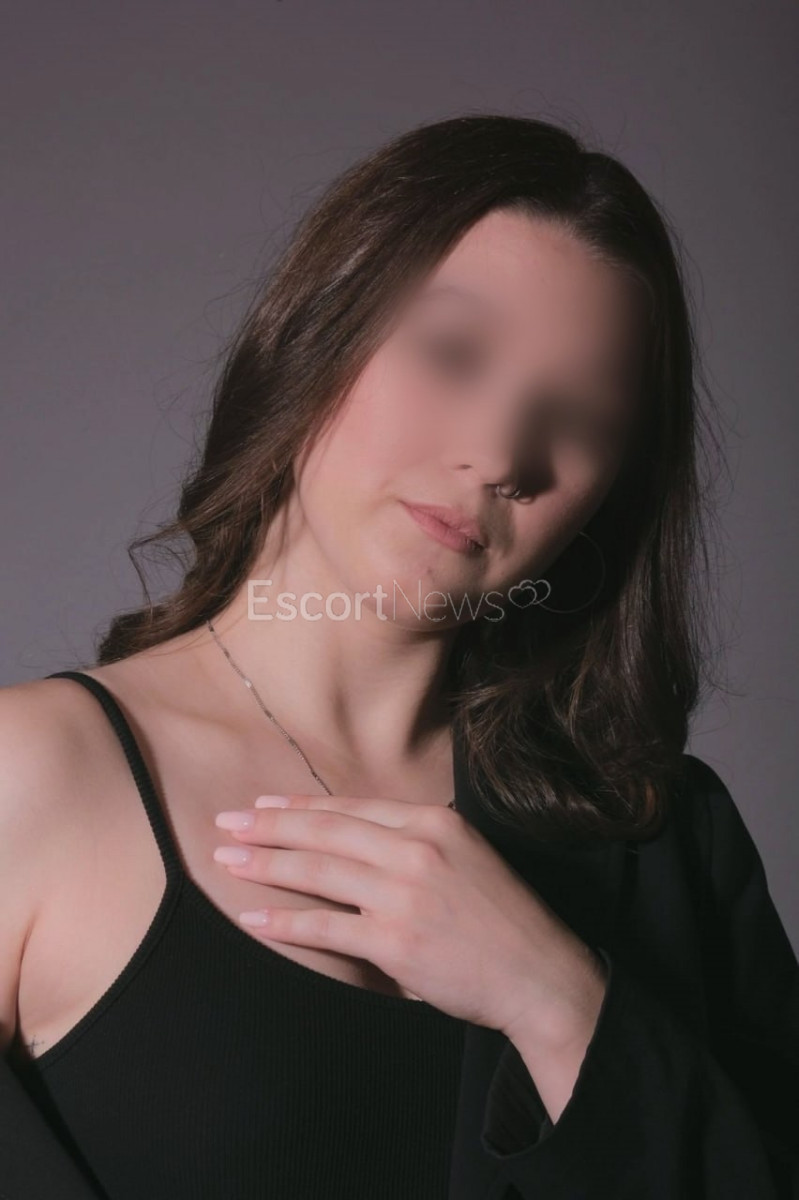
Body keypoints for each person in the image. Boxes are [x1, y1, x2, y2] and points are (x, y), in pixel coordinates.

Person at [1, 113, 796, 1200]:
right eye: (451, 353)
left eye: (578, 417)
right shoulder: (30, 778)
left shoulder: (667, 840)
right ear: (317, 334)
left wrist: (556, 1000)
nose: (500, 453)